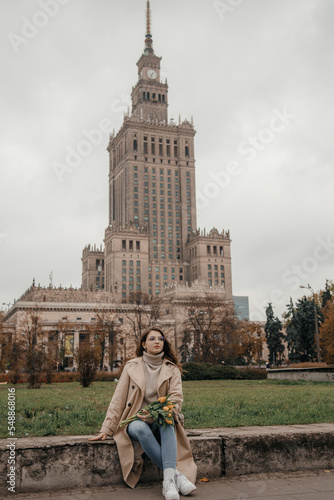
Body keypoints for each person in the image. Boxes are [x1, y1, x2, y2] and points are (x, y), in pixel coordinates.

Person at [89, 327, 197, 499]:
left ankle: (168, 482)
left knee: (167, 418)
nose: (157, 342)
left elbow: (176, 399)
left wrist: (155, 414)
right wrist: (106, 429)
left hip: (159, 419)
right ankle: (176, 476)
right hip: (135, 421)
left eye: (160, 339)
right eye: (152, 339)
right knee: (140, 428)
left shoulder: (172, 368)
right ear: (144, 344)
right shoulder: (132, 366)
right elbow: (119, 398)